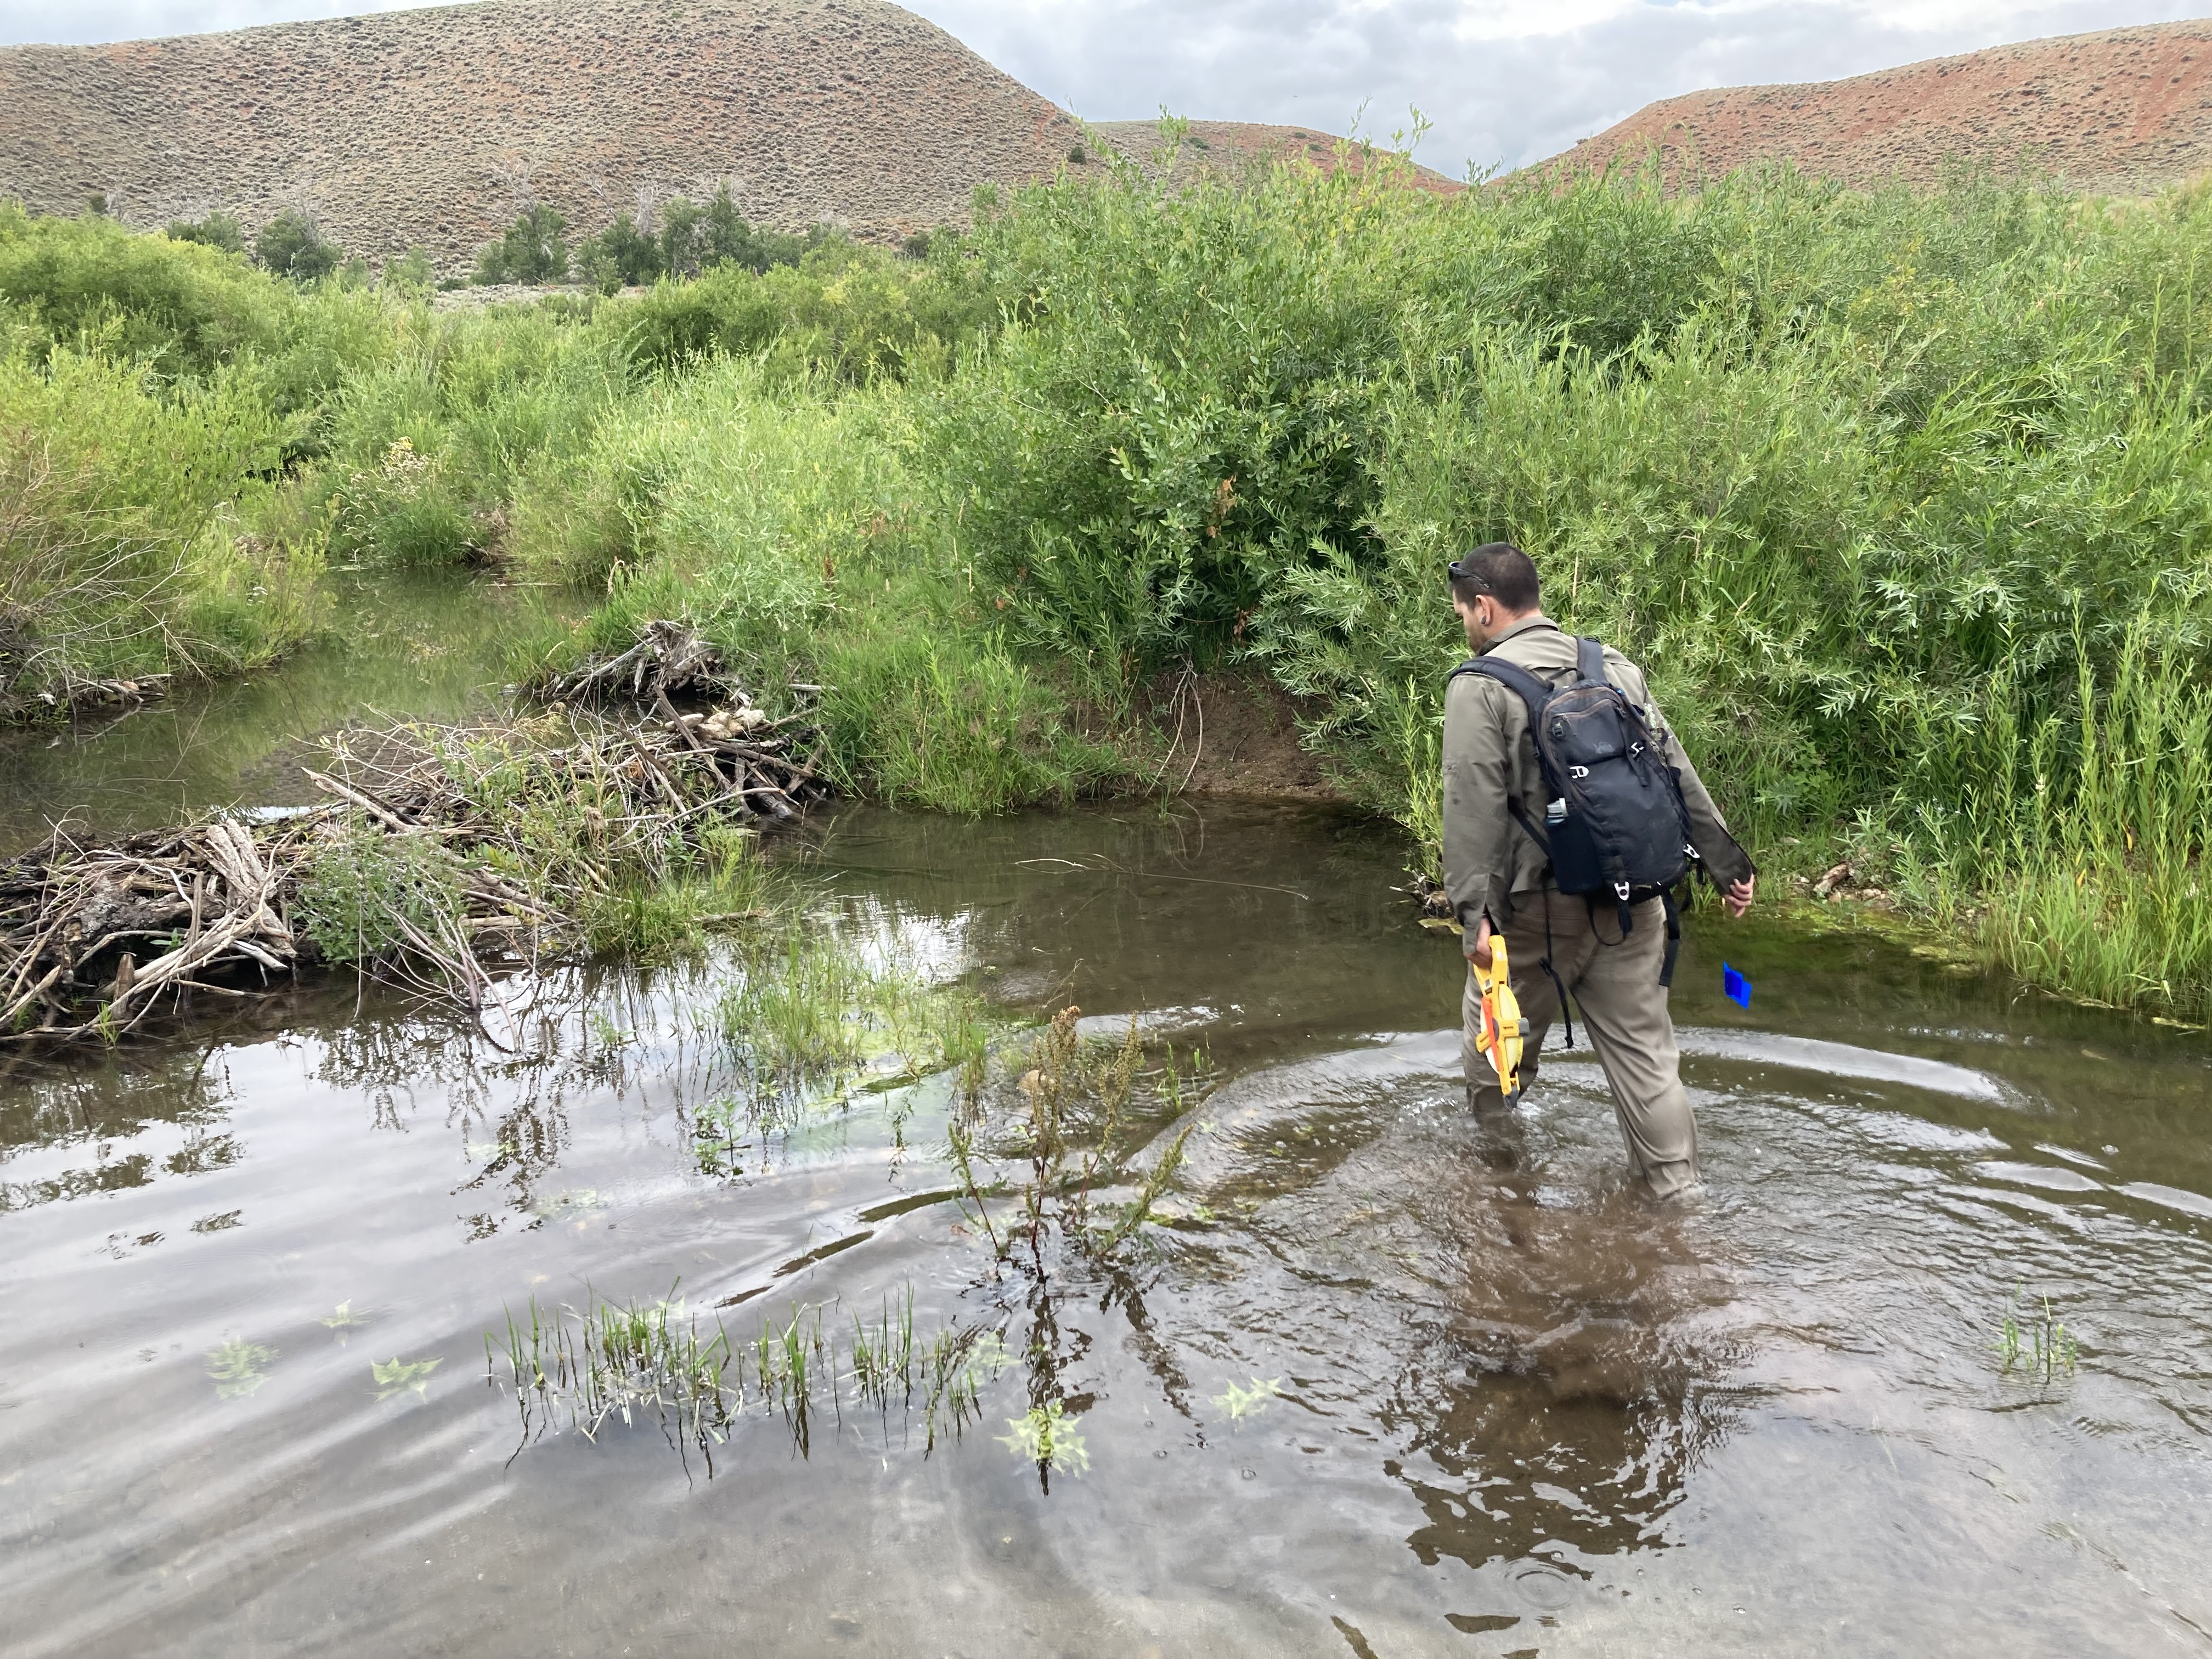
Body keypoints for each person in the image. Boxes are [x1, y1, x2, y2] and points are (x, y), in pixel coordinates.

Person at [1441, 542, 1755, 1199]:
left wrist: (1476, 914)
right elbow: (1674, 770)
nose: (1465, 626)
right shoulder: (1611, 667)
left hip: (1535, 918)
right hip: (1633, 902)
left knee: (1493, 1054)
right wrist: (1727, 865)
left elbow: (1473, 803)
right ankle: (1680, 1202)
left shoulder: (1481, 686)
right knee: (1648, 1064)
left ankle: (1499, 1198)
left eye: (1465, 613)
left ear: (1486, 607)